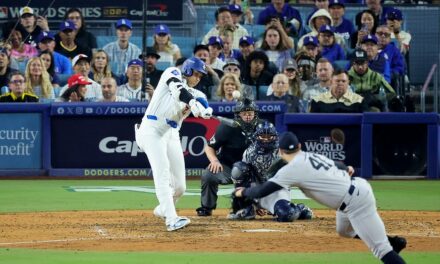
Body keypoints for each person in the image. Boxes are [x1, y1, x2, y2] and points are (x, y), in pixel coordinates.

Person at [233, 131, 407, 264]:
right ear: (299, 146)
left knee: (381, 251)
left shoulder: (291, 169)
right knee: (344, 231)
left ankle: (388, 245)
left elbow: (262, 191)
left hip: (356, 202)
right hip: (355, 189)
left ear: (280, 151)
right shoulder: (308, 155)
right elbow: (338, 164)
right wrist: (346, 168)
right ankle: (391, 241)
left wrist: (242, 192)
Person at [134, 57, 213, 231]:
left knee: (180, 187)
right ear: (188, 70)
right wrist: (192, 102)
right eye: (196, 74)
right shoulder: (172, 72)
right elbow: (179, 91)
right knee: (162, 173)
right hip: (151, 129)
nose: (198, 78)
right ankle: (171, 219)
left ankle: (163, 209)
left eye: (201, 76)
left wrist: (205, 110)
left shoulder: (197, 93)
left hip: (171, 133)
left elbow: (203, 103)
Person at [229, 121, 313, 221]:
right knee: (239, 169)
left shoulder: (282, 151)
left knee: (287, 215)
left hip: (275, 189)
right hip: (256, 189)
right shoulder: (249, 152)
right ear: (257, 136)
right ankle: (246, 208)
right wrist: (253, 201)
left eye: (269, 136)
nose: (266, 140)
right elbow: (244, 177)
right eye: (263, 136)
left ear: (275, 137)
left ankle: (299, 208)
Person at [196, 98, 260, 217]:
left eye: (250, 113)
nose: (247, 116)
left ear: (255, 114)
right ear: (238, 114)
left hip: (254, 170)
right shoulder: (226, 127)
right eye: (244, 113)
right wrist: (214, 161)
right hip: (228, 167)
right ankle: (207, 207)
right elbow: (209, 147)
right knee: (208, 174)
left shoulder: (263, 128)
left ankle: (267, 206)